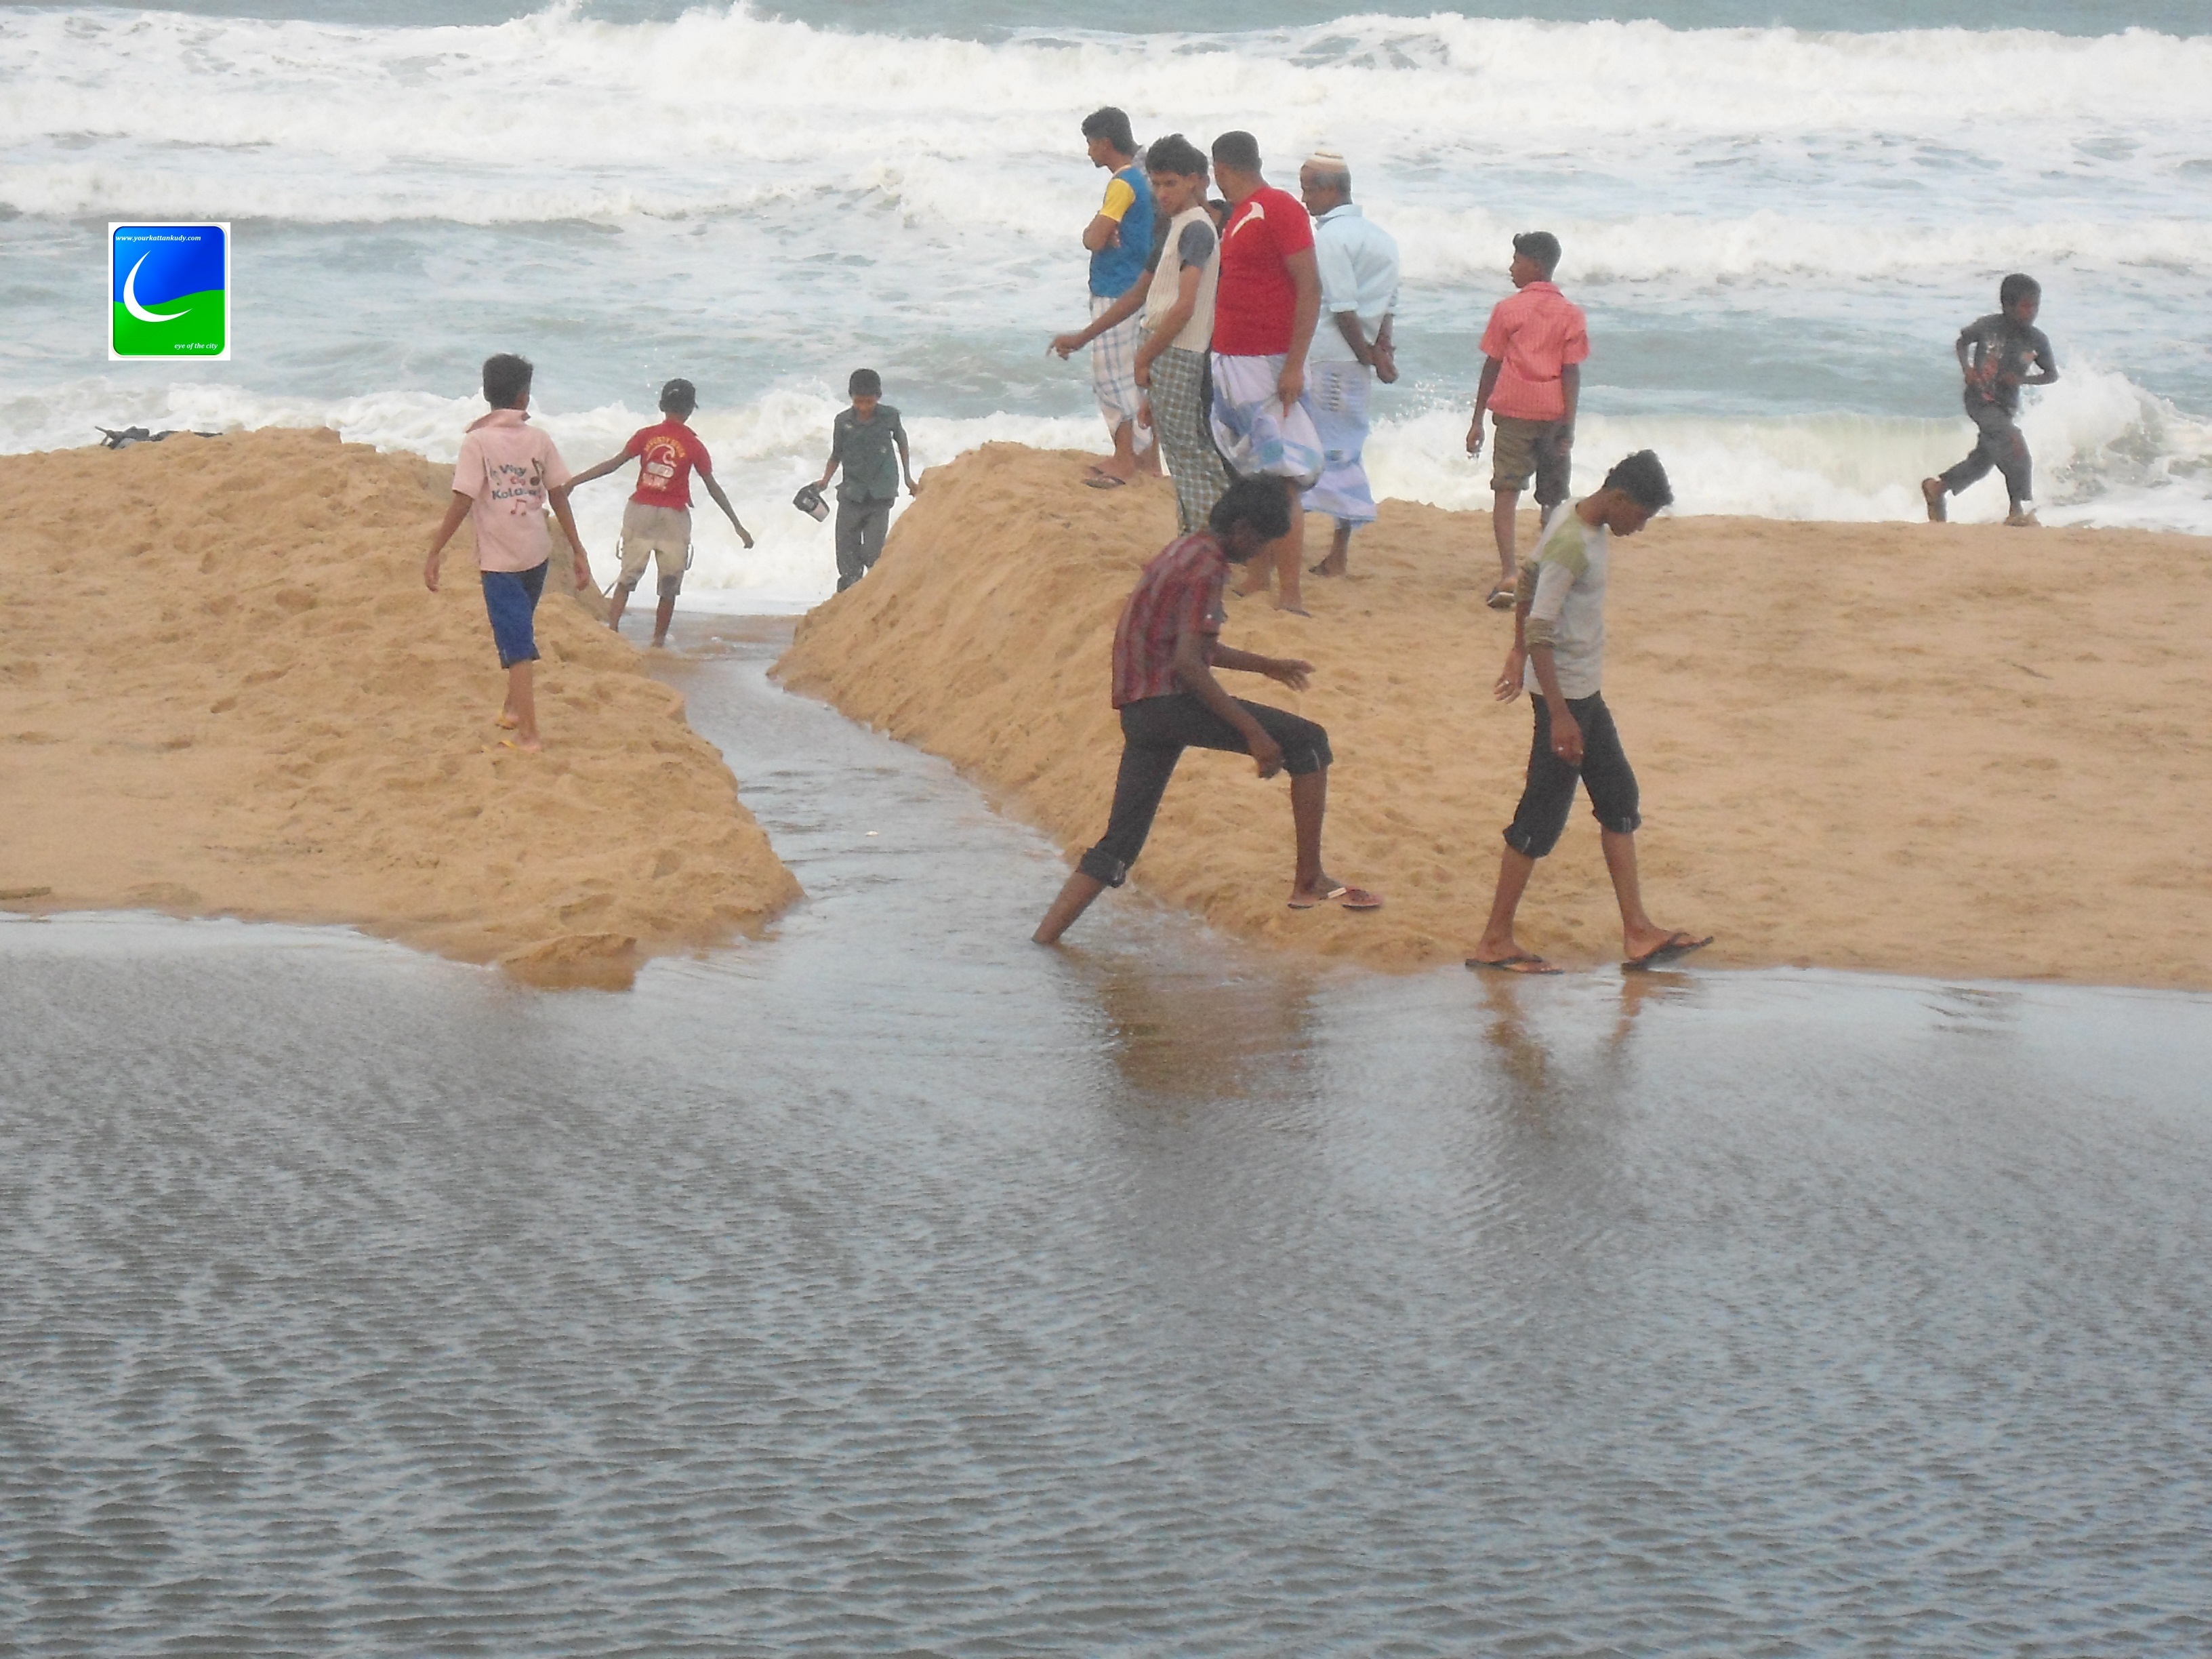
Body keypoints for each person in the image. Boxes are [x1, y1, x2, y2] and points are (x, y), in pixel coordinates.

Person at [1032, 478, 1382, 943]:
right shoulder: (1208, 568)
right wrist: (1253, 733)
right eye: (1261, 542)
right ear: (1242, 528)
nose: (1260, 553)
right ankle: (1309, 880)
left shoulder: (1181, 550)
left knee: (1119, 844)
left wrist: (1267, 666)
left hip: (1139, 709)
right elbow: (1189, 665)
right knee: (1309, 742)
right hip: (1170, 703)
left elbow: (1186, 645)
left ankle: (1044, 941)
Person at [1467, 450, 1710, 975]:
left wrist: (1516, 652)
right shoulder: (1572, 543)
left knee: (1619, 800)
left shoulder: (1575, 516)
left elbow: (1527, 580)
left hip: (1583, 696)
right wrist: (1558, 713)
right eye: (1641, 516)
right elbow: (1541, 625)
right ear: (1619, 498)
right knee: (1539, 819)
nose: (1640, 528)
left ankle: (1638, 932)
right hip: (1568, 700)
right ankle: (1494, 941)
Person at [422, 352, 593, 754]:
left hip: (500, 561)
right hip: (537, 553)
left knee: (517, 645)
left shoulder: (477, 442)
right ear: (524, 397)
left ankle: (529, 736)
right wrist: (578, 549)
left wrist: (435, 550)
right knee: (521, 630)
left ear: (486, 393)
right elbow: (559, 495)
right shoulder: (539, 439)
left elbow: (463, 500)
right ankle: (513, 710)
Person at [1206, 130, 1326, 616]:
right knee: (1252, 474)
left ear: (1220, 169)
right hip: (1234, 360)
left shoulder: (1277, 207)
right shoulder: (1239, 214)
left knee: (1283, 478)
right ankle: (1258, 575)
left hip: (1269, 361)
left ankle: (1290, 591)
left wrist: (1294, 365)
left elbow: (1310, 285)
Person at [565, 378, 753, 649]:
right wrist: (737, 525)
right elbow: (712, 487)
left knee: (626, 579)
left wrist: (574, 481)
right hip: (673, 519)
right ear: (690, 409)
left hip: (639, 512)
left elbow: (613, 464)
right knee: (669, 584)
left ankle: (612, 632)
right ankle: (657, 642)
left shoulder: (646, 435)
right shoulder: (694, 445)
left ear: (662, 405)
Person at [1466, 231, 1589, 611]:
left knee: (1506, 490)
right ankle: (1549, 572)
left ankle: (1509, 572)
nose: (1511, 268)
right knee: (1552, 496)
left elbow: (1492, 366)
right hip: (1553, 413)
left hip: (1514, 412)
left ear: (1534, 265)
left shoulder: (1508, 310)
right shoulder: (1571, 314)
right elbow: (1571, 372)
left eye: (1516, 261)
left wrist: (1477, 419)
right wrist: (1570, 423)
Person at [1297, 147, 1399, 579]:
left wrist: (1368, 355)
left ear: (1330, 190)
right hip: (1355, 363)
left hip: (1328, 358)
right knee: (1346, 451)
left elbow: (1342, 307)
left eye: (1308, 190)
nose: (1304, 200)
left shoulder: (1330, 239)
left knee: (1304, 452)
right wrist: (1380, 351)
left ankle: (1303, 547)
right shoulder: (1382, 238)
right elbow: (1389, 304)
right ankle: (1337, 551)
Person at [1130, 134, 1231, 535]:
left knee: (1189, 453)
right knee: (1180, 449)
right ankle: (1194, 535)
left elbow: (1184, 306)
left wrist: (1144, 358)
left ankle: (1212, 537)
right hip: (1169, 350)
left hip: (1177, 350)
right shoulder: (1180, 226)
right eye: (1156, 184)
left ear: (1194, 180)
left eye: (1170, 183)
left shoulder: (1196, 229)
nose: (1162, 193)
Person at [1053, 106, 1156, 489]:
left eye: (1091, 143)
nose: (1089, 152)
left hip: (1116, 289)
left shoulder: (1122, 183)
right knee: (1135, 377)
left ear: (1106, 143)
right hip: (1136, 285)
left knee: (1112, 378)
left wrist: (1094, 232)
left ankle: (1125, 458)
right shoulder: (1144, 179)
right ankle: (1147, 461)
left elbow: (1094, 238)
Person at [1921, 274, 2057, 527]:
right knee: (2014, 444)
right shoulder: (1988, 326)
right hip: (1980, 400)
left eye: (2036, 306)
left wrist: (2022, 380)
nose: (2032, 313)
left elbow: (2051, 375)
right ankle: (2017, 510)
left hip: (2006, 407)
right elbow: (1962, 342)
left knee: (1983, 461)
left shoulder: (2037, 340)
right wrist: (1967, 369)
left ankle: (1937, 489)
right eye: (2026, 306)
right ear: (2007, 305)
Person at [814, 369, 918, 592]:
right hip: (851, 492)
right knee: (846, 554)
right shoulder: (842, 421)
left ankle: (874, 586)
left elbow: (902, 444)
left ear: (878, 397)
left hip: (881, 492)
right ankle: (848, 594)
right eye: (858, 402)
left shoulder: (890, 416)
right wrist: (824, 481)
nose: (863, 407)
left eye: (869, 402)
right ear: (851, 397)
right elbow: (836, 455)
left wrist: (908, 478)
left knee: (873, 553)